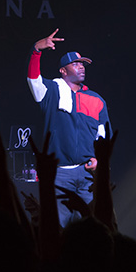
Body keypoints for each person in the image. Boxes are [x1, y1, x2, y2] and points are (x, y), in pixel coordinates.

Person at [27, 29, 112, 226]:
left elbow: (103, 135)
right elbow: (33, 79)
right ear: (63, 71)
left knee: (90, 227)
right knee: (59, 228)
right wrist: (36, 50)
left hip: (87, 174)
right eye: (75, 64)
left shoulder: (97, 99)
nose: (81, 67)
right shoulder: (51, 91)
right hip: (60, 174)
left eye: (83, 64)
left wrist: (99, 160)